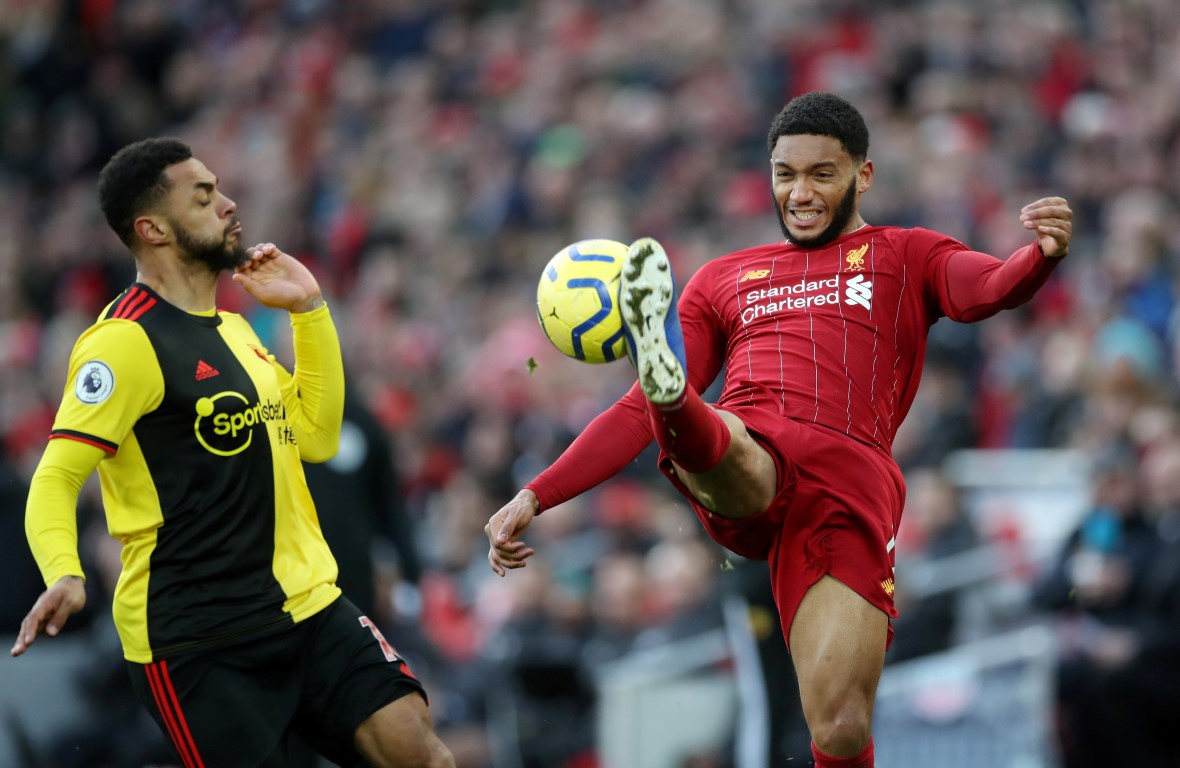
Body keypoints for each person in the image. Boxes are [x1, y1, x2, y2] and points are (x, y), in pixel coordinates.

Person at [485, 91, 1072, 768]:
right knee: (733, 442)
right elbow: (626, 417)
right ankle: (674, 398)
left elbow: (989, 286)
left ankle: (677, 401)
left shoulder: (906, 254)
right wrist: (537, 492)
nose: (800, 192)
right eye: (784, 174)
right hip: (750, 441)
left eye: (822, 174)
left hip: (850, 483)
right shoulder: (724, 278)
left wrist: (1041, 258)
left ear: (864, 174)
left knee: (841, 725)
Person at [10, 137, 454, 768]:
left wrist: (309, 311)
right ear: (153, 229)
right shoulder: (123, 344)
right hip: (199, 640)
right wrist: (64, 570)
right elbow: (54, 479)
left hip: (309, 606)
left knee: (424, 756)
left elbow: (316, 438)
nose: (228, 203)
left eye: (219, 188)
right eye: (205, 196)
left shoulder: (239, 330)